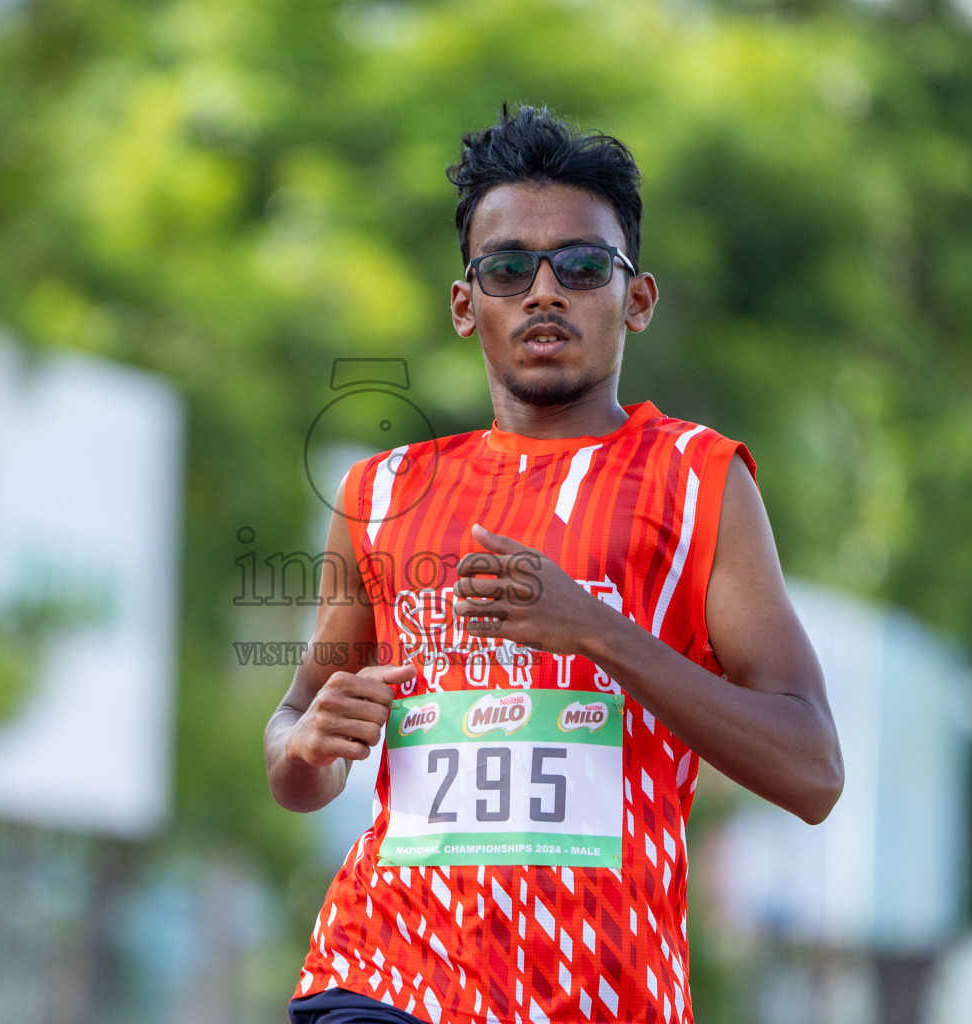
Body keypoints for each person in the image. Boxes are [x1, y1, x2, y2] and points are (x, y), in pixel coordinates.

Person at [264, 105, 843, 1024]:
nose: (543, 292)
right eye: (507, 268)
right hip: (386, 974)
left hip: (601, 989)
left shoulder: (698, 480)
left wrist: (599, 633)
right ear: (467, 305)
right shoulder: (383, 491)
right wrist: (302, 747)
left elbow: (813, 770)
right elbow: (298, 743)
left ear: (636, 298)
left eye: (580, 266)